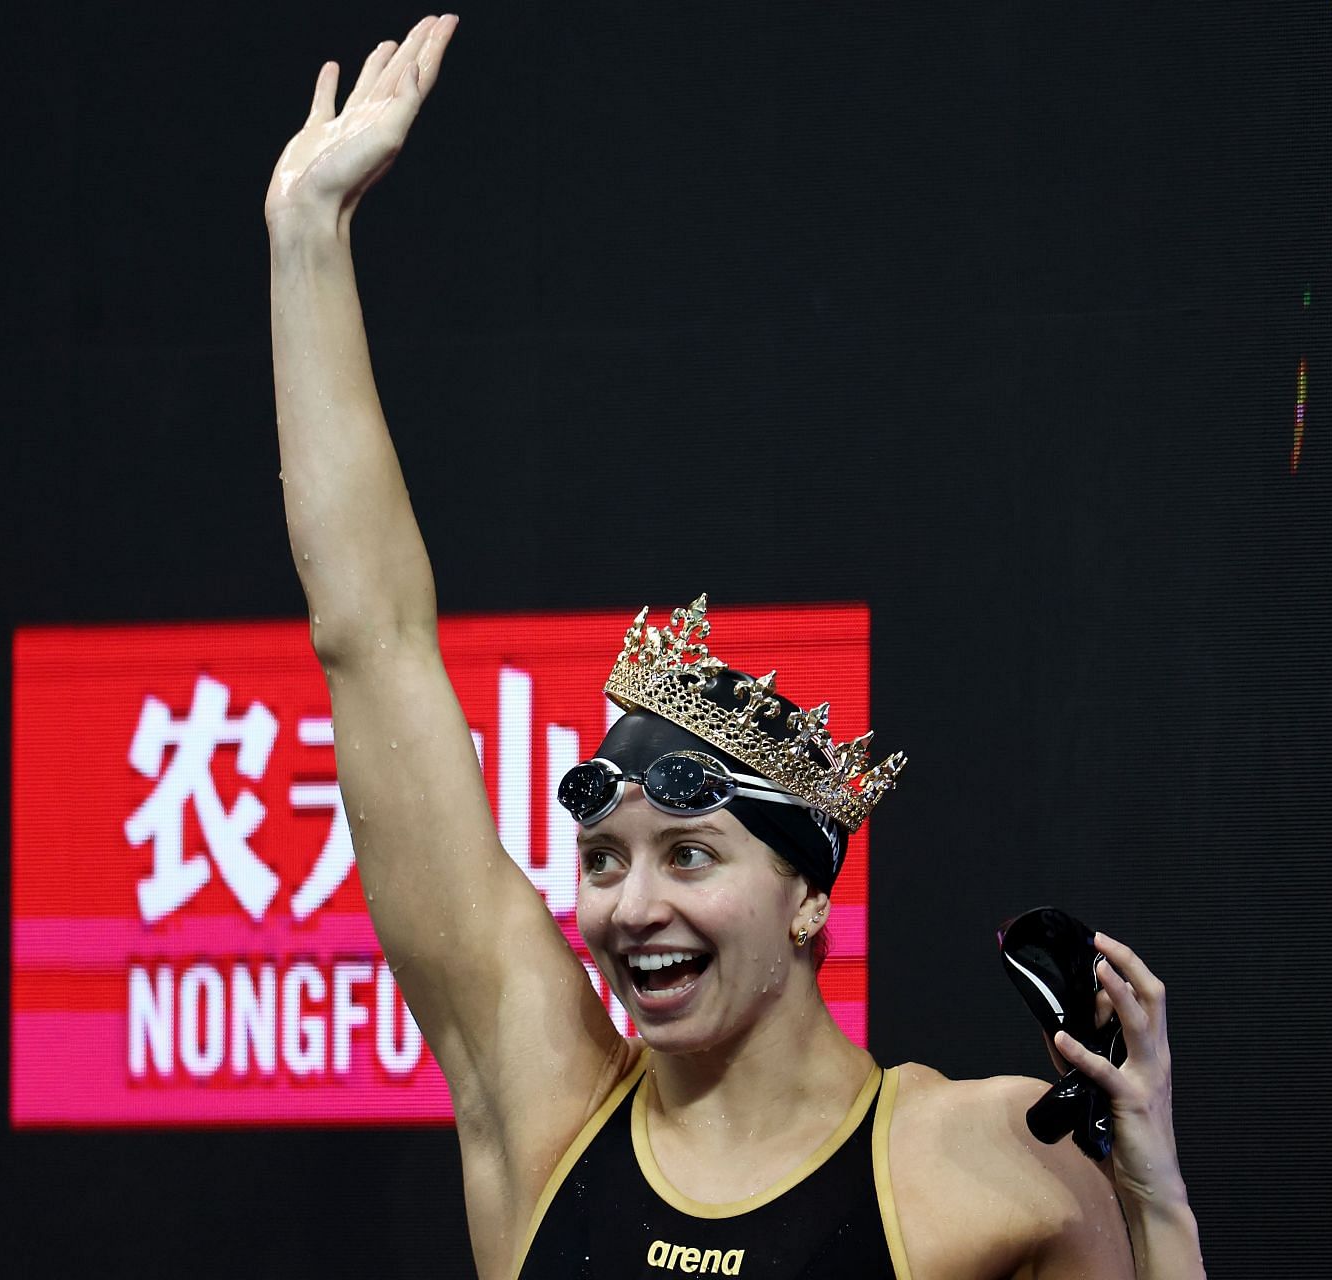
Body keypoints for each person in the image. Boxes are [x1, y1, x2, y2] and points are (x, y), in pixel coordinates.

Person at [263, 15, 1206, 1277]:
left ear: (810, 892)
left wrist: (1158, 1205)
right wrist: (307, 242)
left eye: (689, 853)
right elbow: (370, 641)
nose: (631, 905)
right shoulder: (545, 1116)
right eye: (602, 858)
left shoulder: (978, 1165)